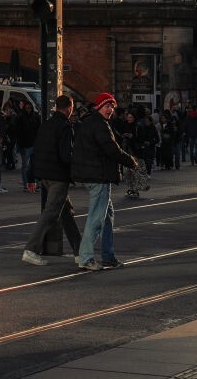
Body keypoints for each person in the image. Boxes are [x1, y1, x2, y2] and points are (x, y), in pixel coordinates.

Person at [73, 94, 139, 272]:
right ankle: (86, 257)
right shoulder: (100, 125)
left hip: (91, 174)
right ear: (99, 107)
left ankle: (108, 256)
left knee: (107, 216)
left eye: (112, 106)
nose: (110, 110)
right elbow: (111, 149)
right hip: (98, 176)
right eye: (107, 106)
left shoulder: (88, 122)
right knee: (96, 219)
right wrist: (130, 161)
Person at [21, 95, 81, 265]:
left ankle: (80, 251)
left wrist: (32, 176)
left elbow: (35, 151)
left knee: (66, 214)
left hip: (45, 176)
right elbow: (65, 156)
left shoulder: (45, 125)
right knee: (50, 214)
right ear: (69, 108)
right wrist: (76, 170)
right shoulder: (65, 127)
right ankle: (31, 249)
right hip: (58, 177)